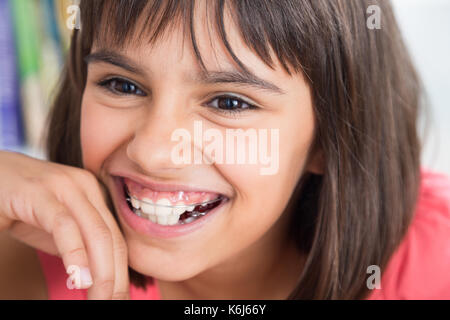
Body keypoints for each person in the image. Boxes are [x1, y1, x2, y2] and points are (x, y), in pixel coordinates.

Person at [1, 0, 449, 299]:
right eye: (122, 85)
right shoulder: (25, 258)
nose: (154, 151)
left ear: (327, 142)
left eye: (229, 103)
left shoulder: (435, 263)